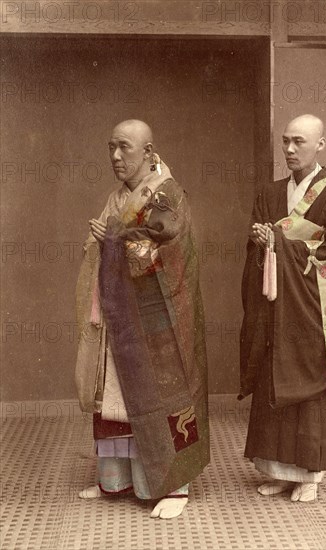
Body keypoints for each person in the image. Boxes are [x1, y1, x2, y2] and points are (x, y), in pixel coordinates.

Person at [75, 119, 209, 519]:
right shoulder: (118, 197)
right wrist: (106, 241)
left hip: (159, 320)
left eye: (125, 148)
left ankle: (172, 485)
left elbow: (166, 253)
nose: (115, 156)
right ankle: (117, 479)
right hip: (121, 316)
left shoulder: (167, 194)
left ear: (149, 152)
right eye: (111, 147)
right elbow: (111, 243)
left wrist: (113, 239)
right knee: (115, 394)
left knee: (159, 395)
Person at [239, 114, 326, 502]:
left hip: (310, 307)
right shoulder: (269, 193)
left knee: (307, 383)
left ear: (320, 145)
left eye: (299, 142)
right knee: (274, 379)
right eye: (286, 141)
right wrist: (261, 243)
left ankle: (309, 475)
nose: (289, 149)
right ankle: (278, 469)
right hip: (275, 306)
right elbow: (257, 248)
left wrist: (280, 243)